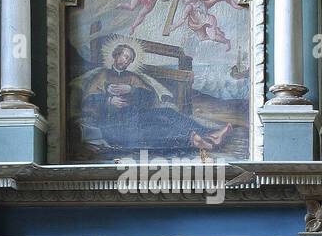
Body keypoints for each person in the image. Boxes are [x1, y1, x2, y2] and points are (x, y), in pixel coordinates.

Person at [74, 40, 232, 155]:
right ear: (115, 55)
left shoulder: (132, 76)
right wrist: (109, 100)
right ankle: (195, 141)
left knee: (168, 114)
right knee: (156, 131)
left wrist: (131, 89)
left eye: (129, 59)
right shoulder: (102, 75)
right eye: (124, 56)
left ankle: (210, 133)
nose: (125, 60)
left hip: (136, 116)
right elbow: (88, 100)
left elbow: (149, 96)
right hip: (113, 123)